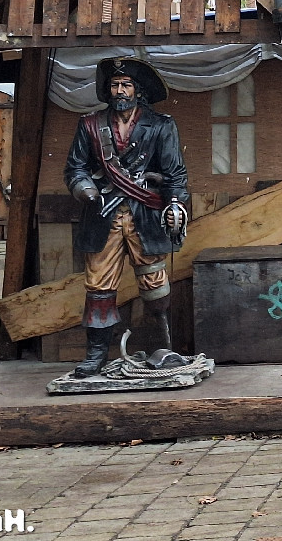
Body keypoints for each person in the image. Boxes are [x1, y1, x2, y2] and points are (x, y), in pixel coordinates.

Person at [64, 57, 189, 378]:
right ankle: (95, 355)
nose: (119, 91)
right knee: (98, 287)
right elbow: (75, 168)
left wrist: (175, 205)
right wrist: (85, 189)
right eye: (115, 85)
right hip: (102, 216)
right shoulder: (90, 125)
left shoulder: (161, 125)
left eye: (126, 85)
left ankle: (163, 348)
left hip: (144, 216)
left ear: (138, 90)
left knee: (154, 284)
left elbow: (175, 174)